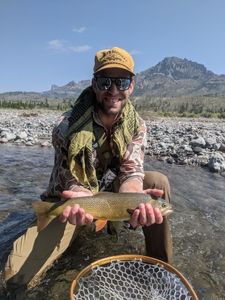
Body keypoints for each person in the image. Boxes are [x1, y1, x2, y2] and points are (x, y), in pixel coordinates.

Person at [4, 47, 172, 293]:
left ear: (132, 85)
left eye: (121, 82)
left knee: (157, 183)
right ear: (94, 84)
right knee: (14, 278)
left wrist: (137, 202)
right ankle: (49, 219)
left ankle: (161, 271)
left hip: (110, 198)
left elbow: (131, 174)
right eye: (105, 81)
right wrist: (81, 199)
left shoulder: (137, 126)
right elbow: (73, 182)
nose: (113, 90)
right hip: (72, 202)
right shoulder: (66, 125)